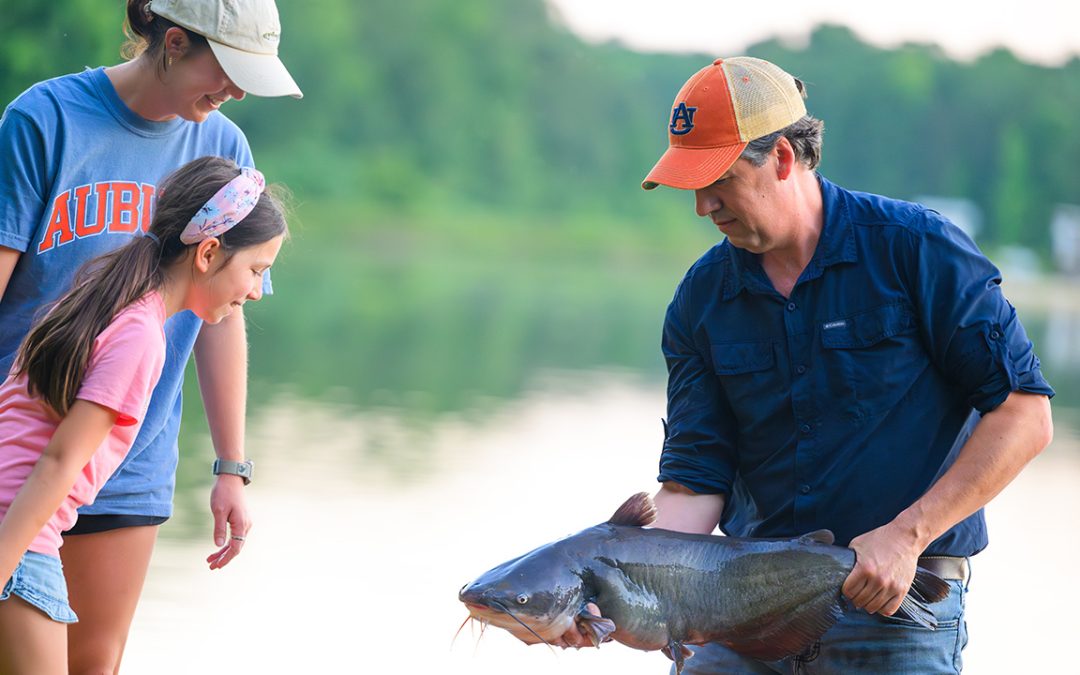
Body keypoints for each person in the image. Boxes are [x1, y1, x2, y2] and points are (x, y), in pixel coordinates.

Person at [560, 57, 1054, 673]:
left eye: (719, 178)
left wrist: (907, 535)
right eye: (692, 184)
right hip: (742, 614)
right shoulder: (701, 300)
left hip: (898, 606)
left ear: (784, 159)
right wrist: (596, 587)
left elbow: (1024, 415)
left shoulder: (918, 249)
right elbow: (695, 483)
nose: (703, 206)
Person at [0, 1, 301, 671]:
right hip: (22, 450)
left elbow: (223, 319)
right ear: (171, 43)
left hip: (124, 457)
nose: (236, 92)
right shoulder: (43, 120)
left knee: (94, 659)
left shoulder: (225, 149)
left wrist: (230, 466)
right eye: (227, 70)